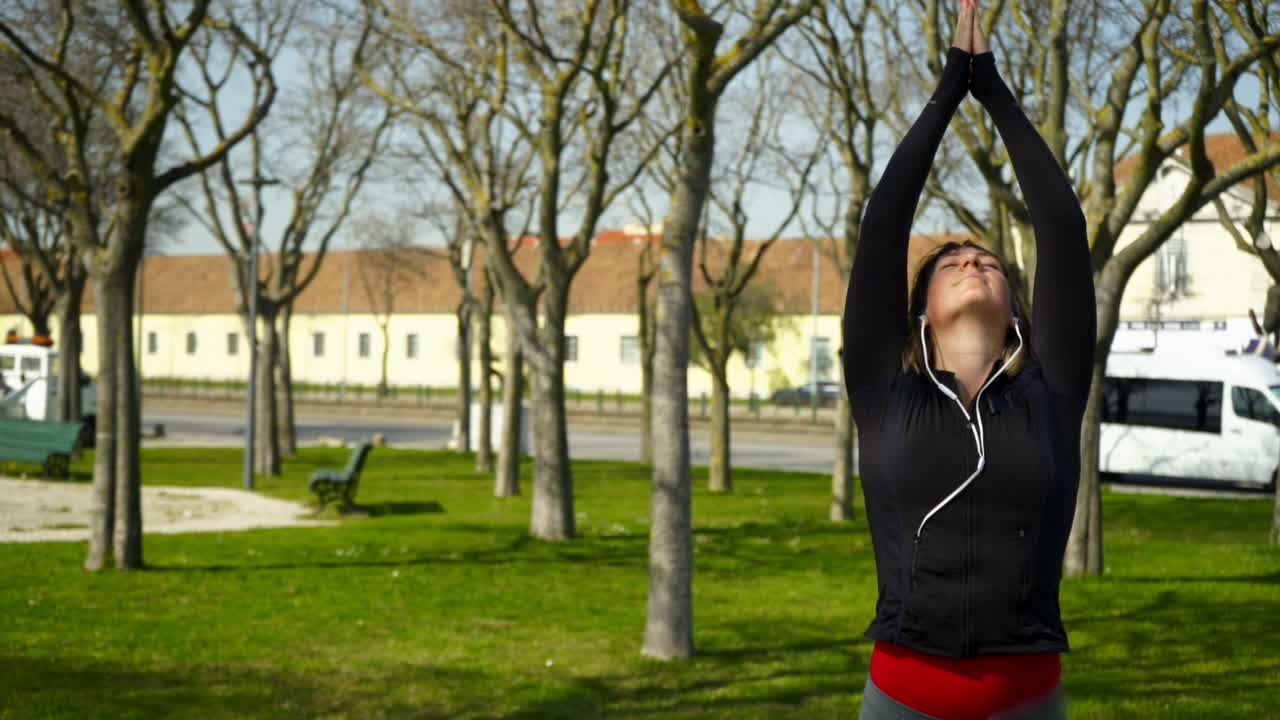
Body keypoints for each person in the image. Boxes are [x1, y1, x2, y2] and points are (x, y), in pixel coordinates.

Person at [842, 2, 1094, 718]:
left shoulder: (1050, 393)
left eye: (987, 261)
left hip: (1027, 703)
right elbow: (884, 225)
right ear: (921, 314)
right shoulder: (884, 394)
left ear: (1016, 312)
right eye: (951, 262)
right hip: (901, 701)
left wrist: (997, 93)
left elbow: (1062, 227)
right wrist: (954, 81)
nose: (973, 261)